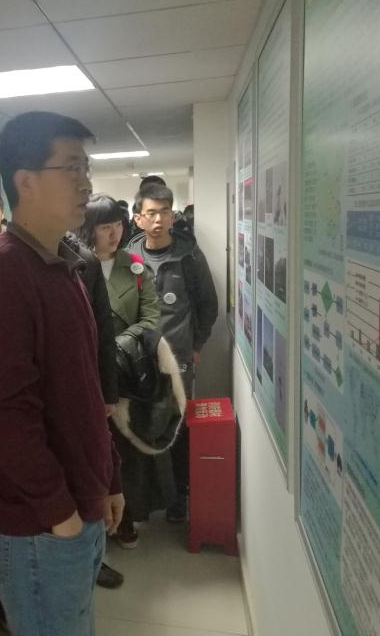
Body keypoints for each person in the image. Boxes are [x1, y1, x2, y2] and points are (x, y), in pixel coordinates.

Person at [0, 112, 124, 636]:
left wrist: (109, 478)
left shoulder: (60, 264)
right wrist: (61, 514)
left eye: (86, 167)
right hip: (38, 525)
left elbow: (83, 390)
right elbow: (4, 413)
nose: (86, 183)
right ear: (26, 181)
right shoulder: (3, 273)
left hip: (71, 510)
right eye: (71, 167)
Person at [76, 194, 170, 548]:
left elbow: (151, 318)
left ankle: (125, 518)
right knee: (89, 447)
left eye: (118, 224)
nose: (114, 233)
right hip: (85, 370)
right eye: (105, 226)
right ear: (89, 228)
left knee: (125, 450)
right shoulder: (74, 265)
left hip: (126, 370)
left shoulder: (134, 266)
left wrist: (115, 345)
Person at [127, 184, 218, 522]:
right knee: (142, 425)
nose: (158, 220)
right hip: (140, 358)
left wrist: (196, 346)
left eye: (164, 212)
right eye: (151, 213)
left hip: (178, 356)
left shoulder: (189, 256)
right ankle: (145, 498)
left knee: (177, 426)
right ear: (138, 218)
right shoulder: (129, 258)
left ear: (172, 216)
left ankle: (179, 496)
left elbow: (208, 305)